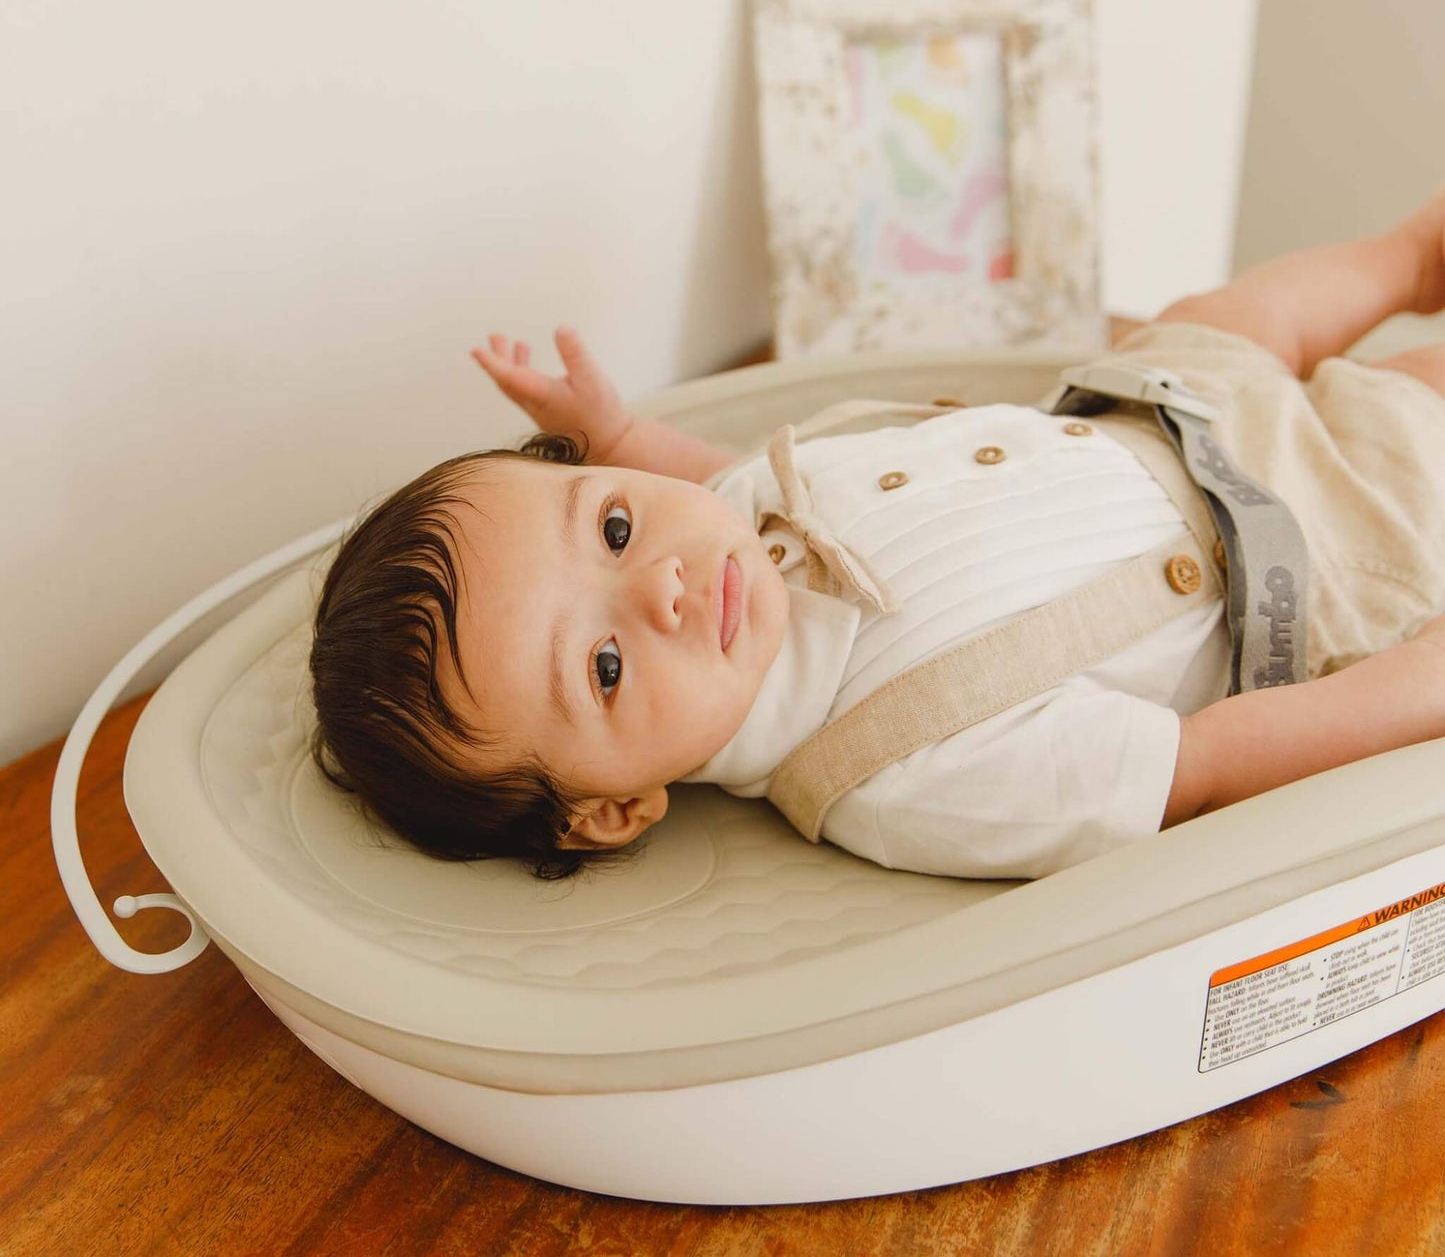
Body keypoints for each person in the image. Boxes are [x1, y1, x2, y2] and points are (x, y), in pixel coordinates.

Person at [309, 194, 1445, 880]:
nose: (657, 582)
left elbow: (717, 480)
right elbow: (1205, 770)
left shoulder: (734, 538)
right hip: (1305, 549)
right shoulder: (896, 770)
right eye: (603, 667)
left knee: (1220, 317)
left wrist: (614, 428)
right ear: (609, 809)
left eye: (609, 521)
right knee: (1409, 415)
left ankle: (1406, 253)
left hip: (1148, 404)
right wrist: (1413, 687)